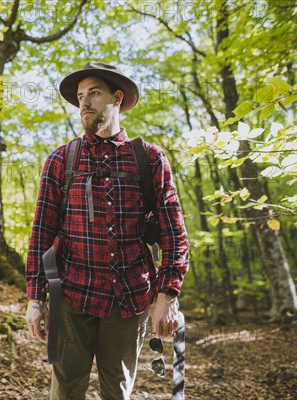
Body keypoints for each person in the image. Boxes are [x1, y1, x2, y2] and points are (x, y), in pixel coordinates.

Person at [25, 62, 190, 400]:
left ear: (117, 98)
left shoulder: (149, 159)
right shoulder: (60, 161)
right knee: (66, 391)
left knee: (117, 391)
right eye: (80, 96)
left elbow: (175, 232)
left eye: (94, 93)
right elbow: (41, 233)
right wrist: (34, 298)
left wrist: (167, 295)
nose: (84, 102)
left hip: (130, 296)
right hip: (72, 293)